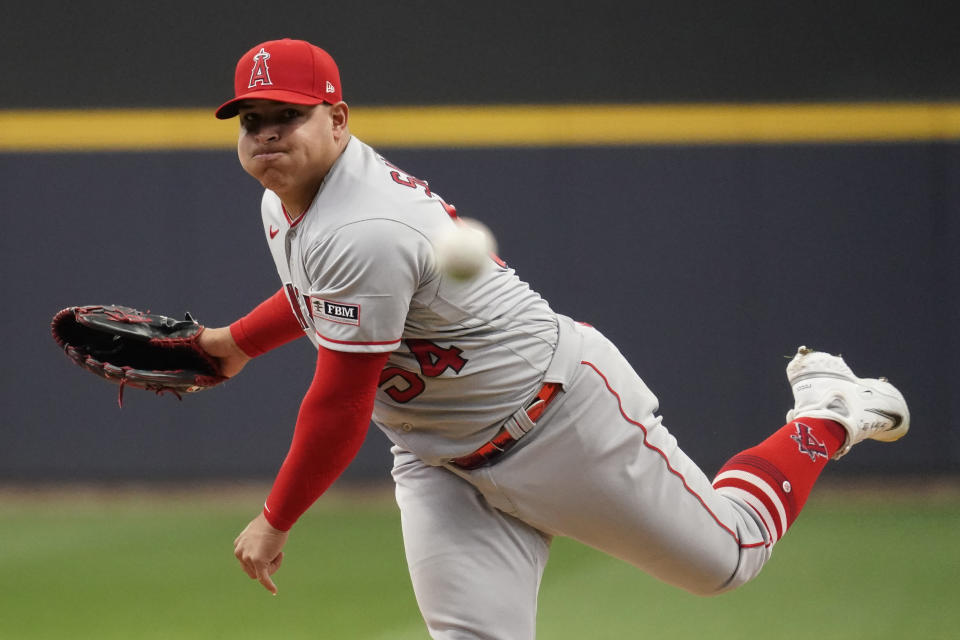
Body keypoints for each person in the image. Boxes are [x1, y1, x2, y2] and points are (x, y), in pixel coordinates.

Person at [197, 38, 910, 639]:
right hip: (441, 461)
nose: (265, 133)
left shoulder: (366, 227)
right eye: (251, 119)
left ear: (338, 120)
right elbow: (319, 297)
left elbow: (339, 403)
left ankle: (826, 415)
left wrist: (275, 519)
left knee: (727, 559)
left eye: (287, 116)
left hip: (560, 420)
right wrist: (234, 343)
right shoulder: (286, 202)